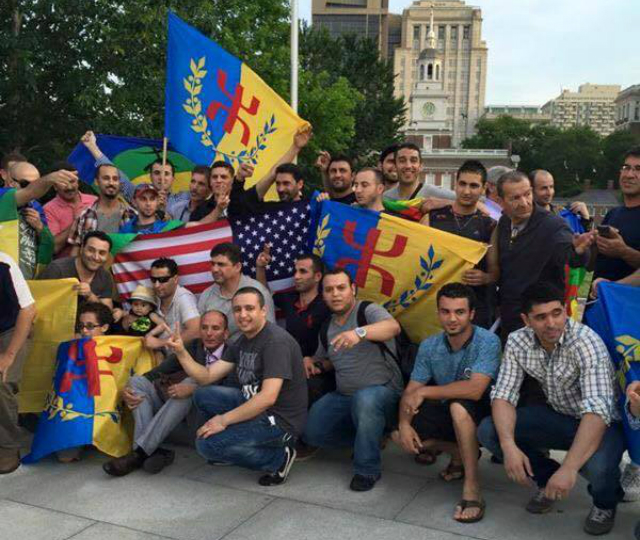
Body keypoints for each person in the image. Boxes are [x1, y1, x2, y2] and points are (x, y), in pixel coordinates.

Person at [478, 283, 625, 536]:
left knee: (599, 468)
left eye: (557, 313)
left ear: (565, 310)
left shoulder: (585, 342)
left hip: (603, 423)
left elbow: (597, 411)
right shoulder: (518, 340)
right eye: (541, 317)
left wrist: (569, 468)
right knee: (489, 431)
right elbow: (503, 395)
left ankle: (605, 503)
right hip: (560, 416)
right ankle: (547, 480)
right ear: (526, 320)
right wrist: (508, 446)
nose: (552, 323)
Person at [394, 283, 501, 523]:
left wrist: (425, 391)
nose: (452, 319)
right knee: (398, 433)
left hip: (482, 409)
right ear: (438, 313)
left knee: (458, 406)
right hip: (446, 407)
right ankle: (458, 452)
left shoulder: (488, 341)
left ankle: (472, 487)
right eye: (445, 311)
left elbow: (475, 390)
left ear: (471, 314)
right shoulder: (430, 345)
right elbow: (411, 391)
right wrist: (404, 424)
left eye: (459, 312)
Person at [187, 287, 308, 486]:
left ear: (263, 311)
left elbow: (268, 397)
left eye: (249, 308)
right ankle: (231, 443)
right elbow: (207, 376)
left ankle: (278, 458)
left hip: (279, 421)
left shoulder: (276, 342)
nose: (242, 315)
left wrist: (223, 420)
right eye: (237, 309)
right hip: (254, 406)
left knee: (206, 446)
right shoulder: (243, 340)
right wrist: (180, 352)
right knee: (203, 395)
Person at [303, 268, 403, 491]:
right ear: (323, 295)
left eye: (341, 288)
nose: (335, 294)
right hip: (344, 395)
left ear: (353, 289)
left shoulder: (367, 310)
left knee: (365, 400)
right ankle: (371, 437)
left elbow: (392, 327)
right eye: (329, 290)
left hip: (383, 391)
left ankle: (367, 469)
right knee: (312, 433)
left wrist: (359, 333)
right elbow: (327, 360)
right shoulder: (326, 327)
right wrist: (312, 362)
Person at [102, 310, 230, 477]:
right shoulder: (194, 346)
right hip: (171, 422)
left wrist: (195, 390)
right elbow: (155, 373)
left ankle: (139, 453)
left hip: (202, 426)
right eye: (204, 328)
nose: (209, 333)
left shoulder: (232, 352)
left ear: (226, 333)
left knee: (190, 383)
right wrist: (128, 390)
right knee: (137, 382)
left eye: (215, 328)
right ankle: (150, 451)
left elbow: (232, 392)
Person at [489, 171, 592, 342]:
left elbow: (570, 257)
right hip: (510, 318)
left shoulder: (552, 225)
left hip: (542, 321)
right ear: (500, 201)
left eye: (527, 194)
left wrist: (579, 251)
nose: (524, 203)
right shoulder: (504, 222)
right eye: (515, 198)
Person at [422, 160, 498, 328]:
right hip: (434, 305)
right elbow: (416, 258)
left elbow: (495, 270)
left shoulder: (490, 225)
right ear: (455, 185)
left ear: (484, 188)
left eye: (474, 186)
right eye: (462, 184)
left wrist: (486, 277)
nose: (466, 191)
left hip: (474, 307)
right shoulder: (432, 218)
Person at [256, 251, 333, 405]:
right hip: (288, 367)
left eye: (303, 271)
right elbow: (264, 293)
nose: (296, 276)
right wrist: (260, 268)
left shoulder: (328, 305)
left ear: (318, 276)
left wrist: (316, 362)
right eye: (295, 271)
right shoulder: (290, 298)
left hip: (316, 372)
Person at [81, 131, 190, 212]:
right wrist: (92, 147)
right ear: (150, 176)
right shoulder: (138, 193)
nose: (161, 177)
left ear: (173, 178)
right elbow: (117, 175)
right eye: (157, 173)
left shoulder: (184, 198)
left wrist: (166, 210)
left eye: (166, 174)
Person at [0, 251, 36, 474]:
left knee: (1, 381)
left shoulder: (3, 263)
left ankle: (7, 446)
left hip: (12, 329)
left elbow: (28, 310)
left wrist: (9, 355)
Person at [197, 243, 275, 339]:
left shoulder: (258, 292)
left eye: (221, 264)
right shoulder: (206, 295)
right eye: (213, 264)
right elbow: (200, 333)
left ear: (237, 267)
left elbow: (270, 333)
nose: (214, 269)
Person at [590, 146, 640, 286]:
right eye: (626, 167)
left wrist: (624, 252)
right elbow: (590, 266)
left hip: (627, 299)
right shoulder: (613, 214)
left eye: (638, 169)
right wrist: (590, 243)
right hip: (599, 299)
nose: (629, 175)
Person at [38, 231, 115, 309]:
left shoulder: (105, 277)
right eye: (91, 250)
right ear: (81, 249)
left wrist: (90, 296)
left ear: (107, 256)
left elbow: (107, 311)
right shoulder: (57, 269)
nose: (96, 257)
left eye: (102, 253)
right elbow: (37, 301)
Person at [68, 163, 135, 251]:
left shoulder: (133, 215)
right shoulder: (84, 216)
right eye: (106, 178)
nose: (111, 183)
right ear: (96, 182)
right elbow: (75, 252)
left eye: (115, 179)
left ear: (120, 183)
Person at [143, 258, 200, 351]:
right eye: (153, 280)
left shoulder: (183, 298)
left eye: (162, 280)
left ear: (176, 279)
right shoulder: (154, 296)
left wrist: (160, 343)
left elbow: (196, 331)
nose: (157, 285)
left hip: (180, 357)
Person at [43, 162, 97, 258]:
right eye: (63, 183)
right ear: (55, 186)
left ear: (78, 182)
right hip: (66, 264)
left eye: (72, 181)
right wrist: (77, 222)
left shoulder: (94, 201)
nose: (69, 187)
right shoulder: (48, 209)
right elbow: (53, 248)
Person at [4, 162, 48, 278]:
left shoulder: (37, 207)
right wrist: (52, 178)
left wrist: (40, 227)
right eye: (26, 184)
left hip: (26, 277)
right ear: (11, 183)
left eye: (37, 184)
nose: (34, 189)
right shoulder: (2, 196)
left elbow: (47, 243)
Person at [383, 142, 455, 202]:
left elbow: (461, 202)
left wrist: (445, 204)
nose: (408, 166)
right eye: (402, 161)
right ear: (395, 166)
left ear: (421, 166)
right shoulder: (386, 198)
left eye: (413, 160)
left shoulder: (437, 195)